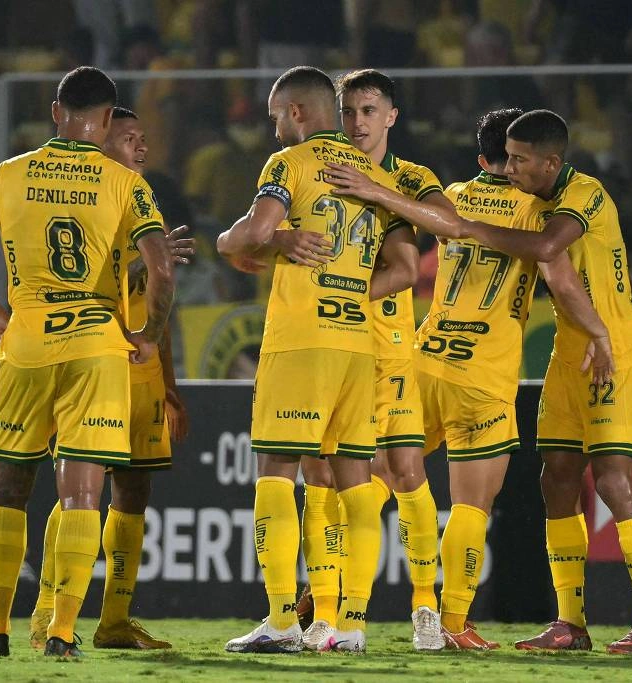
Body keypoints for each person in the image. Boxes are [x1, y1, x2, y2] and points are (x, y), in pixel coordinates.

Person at [327, 109, 632, 654]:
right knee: (537, 483)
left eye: (521, 159)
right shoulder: (534, 208)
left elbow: (430, 243)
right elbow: (555, 273)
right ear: (499, 158)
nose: (513, 167)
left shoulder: (464, 195)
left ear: (544, 162)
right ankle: (524, 622)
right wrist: (596, 332)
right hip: (508, 368)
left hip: (451, 357)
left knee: (381, 476)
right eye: (508, 158)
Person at [0, 66, 174, 658]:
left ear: (55, 110)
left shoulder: (8, 174)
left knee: (9, 490)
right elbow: (162, 269)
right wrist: (148, 332)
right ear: (109, 118)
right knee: (83, 495)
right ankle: (62, 633)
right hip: (96, 344)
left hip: (28, 342)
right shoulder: (125, 183)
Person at [216, 65, 417, 654]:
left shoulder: (290, 164)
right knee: (356, 481)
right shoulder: (374, 176)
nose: (274, 126)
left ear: (297, 113)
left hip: (301, 341)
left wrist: (259, 240)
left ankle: (281, 620)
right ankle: (350, 625)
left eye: (277, 115)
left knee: (277, 473)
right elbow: (402, 270)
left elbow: (250, 234)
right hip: (358, 345)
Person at [295, 68, 449, 653]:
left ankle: (424, 609)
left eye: (369, 111)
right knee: (327, 478)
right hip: (335, 349)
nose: (358, 122)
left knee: (408, 473)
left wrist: (379, 195)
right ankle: (328, 617)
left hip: (389, 350)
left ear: (391, 117)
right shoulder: (320, 169)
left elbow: (434, 241)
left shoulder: (411, 178)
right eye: (349, 112)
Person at [28, 106, 192, 651]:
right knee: (80, 487)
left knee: (134, 488)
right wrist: (145, 264)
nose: (141, 147)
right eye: (129, 138)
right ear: (100, 143)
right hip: (89, 365)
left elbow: (157, 309)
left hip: (140, 372)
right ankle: (48, 611)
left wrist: (169, 385)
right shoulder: (88, 200)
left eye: (145, 138)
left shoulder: (146, 208)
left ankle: (115, 620)